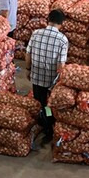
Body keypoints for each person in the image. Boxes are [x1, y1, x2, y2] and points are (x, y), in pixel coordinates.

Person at [26, 9, 68, 141]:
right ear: (62, 24)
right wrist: (61, 80)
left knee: (39, 101)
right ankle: (48, 128)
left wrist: (28, 69)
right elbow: (61, 65)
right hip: (52, 80)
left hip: (37, 75)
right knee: (49, 105)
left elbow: (28, 54)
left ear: (48, 20)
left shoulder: (36, 33)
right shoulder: (62, 39)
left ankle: (39, 123)